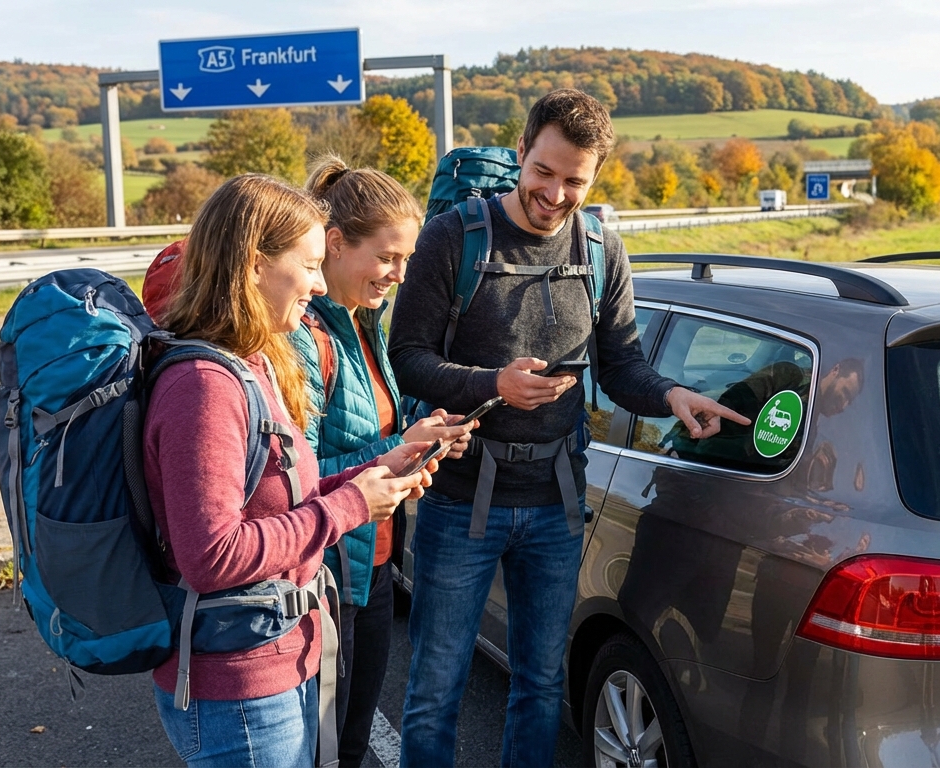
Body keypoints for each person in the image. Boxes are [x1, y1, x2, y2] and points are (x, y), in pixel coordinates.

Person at [389, 88, 748, 767]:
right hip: (460, 498)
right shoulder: (453, 238)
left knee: (542, 683)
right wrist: (493, 384)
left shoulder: (603, 250)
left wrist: (670, 393)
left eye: (574, 180)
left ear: (595, 178)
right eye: (543, 172)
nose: (554, 193)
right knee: (437, 688)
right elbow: (407, 361)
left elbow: (621, 367)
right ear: (521, 152)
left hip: (555, 505)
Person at [144, 173, 437, 768]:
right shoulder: (204, 386)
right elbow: (213, 555)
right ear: (254, 266)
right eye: (307, 265)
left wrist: (378, 469)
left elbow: (286, 497)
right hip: (239, 685)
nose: (319, 282)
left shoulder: (251, 362)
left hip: (274, 657)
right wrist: (353, 504)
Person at [292, 156, 475, 768]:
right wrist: (397, 450)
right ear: (336, 244)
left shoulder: (362, 323)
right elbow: (294, 473)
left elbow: (375, 434)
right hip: (323, 572)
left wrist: (425, 439)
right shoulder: (302, 333)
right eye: (388, 257)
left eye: (407, 260)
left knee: (348, 743)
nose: (400, 275)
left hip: (369, 563)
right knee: (324, 746)